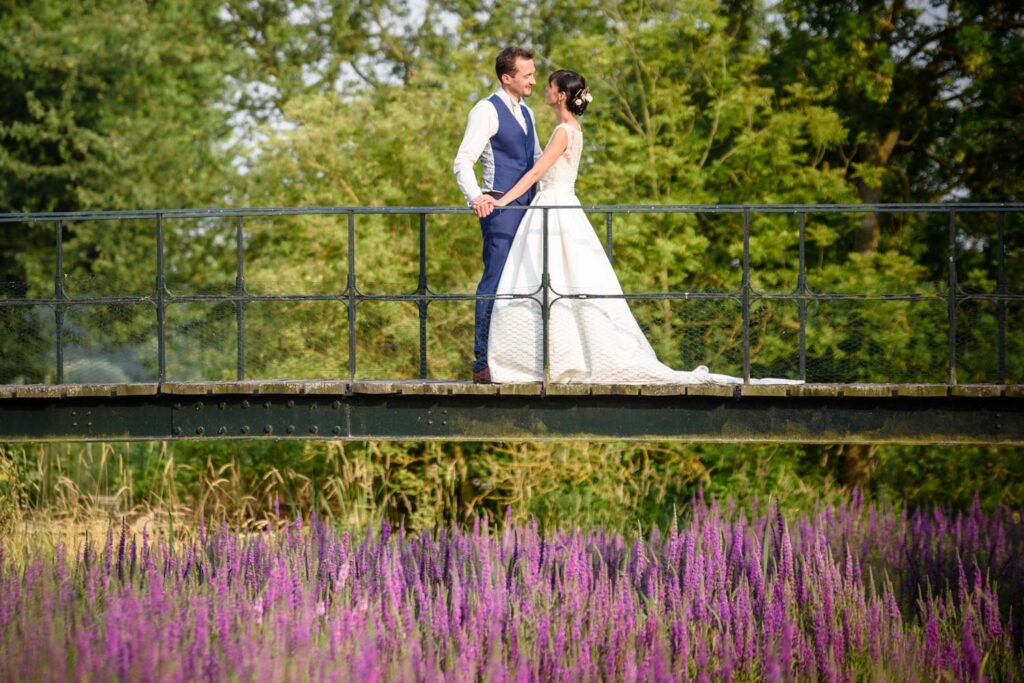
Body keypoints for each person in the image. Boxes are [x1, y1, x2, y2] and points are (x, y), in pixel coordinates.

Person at [484, 69, 801, 385]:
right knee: (560, 286)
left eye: (551, 87)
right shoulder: (571, 129)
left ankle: (552, 359)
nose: (545, 90)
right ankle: (559, 356)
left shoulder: (563, 131)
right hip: (562, 209)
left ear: (561, 96)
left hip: (553, 209)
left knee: (550, 282)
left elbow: (535, 174)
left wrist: (503, 200)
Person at [453, 46, 543, 384]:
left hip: (530, 208)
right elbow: (463, 161)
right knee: (495, 279)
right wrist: (476, 196)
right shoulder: (485, 110)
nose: (533, 80)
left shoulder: (529, 113)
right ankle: (481, 361)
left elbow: (535, 160)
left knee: (527, 282)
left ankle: (517, 358)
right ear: (508, 78)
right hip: (501, 209)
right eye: (527, 75)